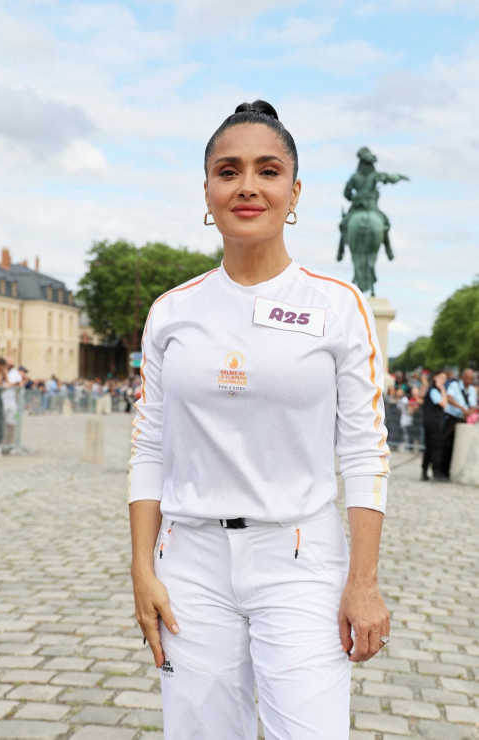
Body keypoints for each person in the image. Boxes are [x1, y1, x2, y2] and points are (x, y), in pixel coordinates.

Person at [127, 100, 391, 740]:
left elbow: (364, 450)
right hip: (190, 561)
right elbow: (150, 444)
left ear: (293, 192)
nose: (247, 185)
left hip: (300, 558)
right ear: (209, 190)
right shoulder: (171, 311)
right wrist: (142, 569)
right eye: (229, 170)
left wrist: (363, 582)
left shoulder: (336, 305)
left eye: (267, 170)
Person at [441, 368, 478, 479]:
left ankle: (453, 471)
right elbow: (449, 398)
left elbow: (473, 405)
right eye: (467, 378)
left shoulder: (471, 390)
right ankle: (443, 471)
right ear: (463, 377)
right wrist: (461, 408)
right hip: (452, 418)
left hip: (463, 420)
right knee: (446, 445)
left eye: (471, 379)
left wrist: (469, 412)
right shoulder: (454, 386)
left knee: (457, 447)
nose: (469, 381)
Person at [421, 370, 448, 482]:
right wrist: (442, 390)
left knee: (429, 447)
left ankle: (424, 472)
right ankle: (436, 473)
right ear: (435, 377)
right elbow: (444, 404)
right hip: (434, 423)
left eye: (445, 378)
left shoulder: (431, 389)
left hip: (429, 421)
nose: (443, 380)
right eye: (441, 377)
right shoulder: (434, 391)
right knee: (436, 447)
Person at [2, 356, 22, 447]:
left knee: (11, 424)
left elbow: (20, 383)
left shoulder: (15, 372)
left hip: (12, 403)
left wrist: (10, 385)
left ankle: (9, 444)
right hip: (2, 402)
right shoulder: (1, 372)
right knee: (1, 424)